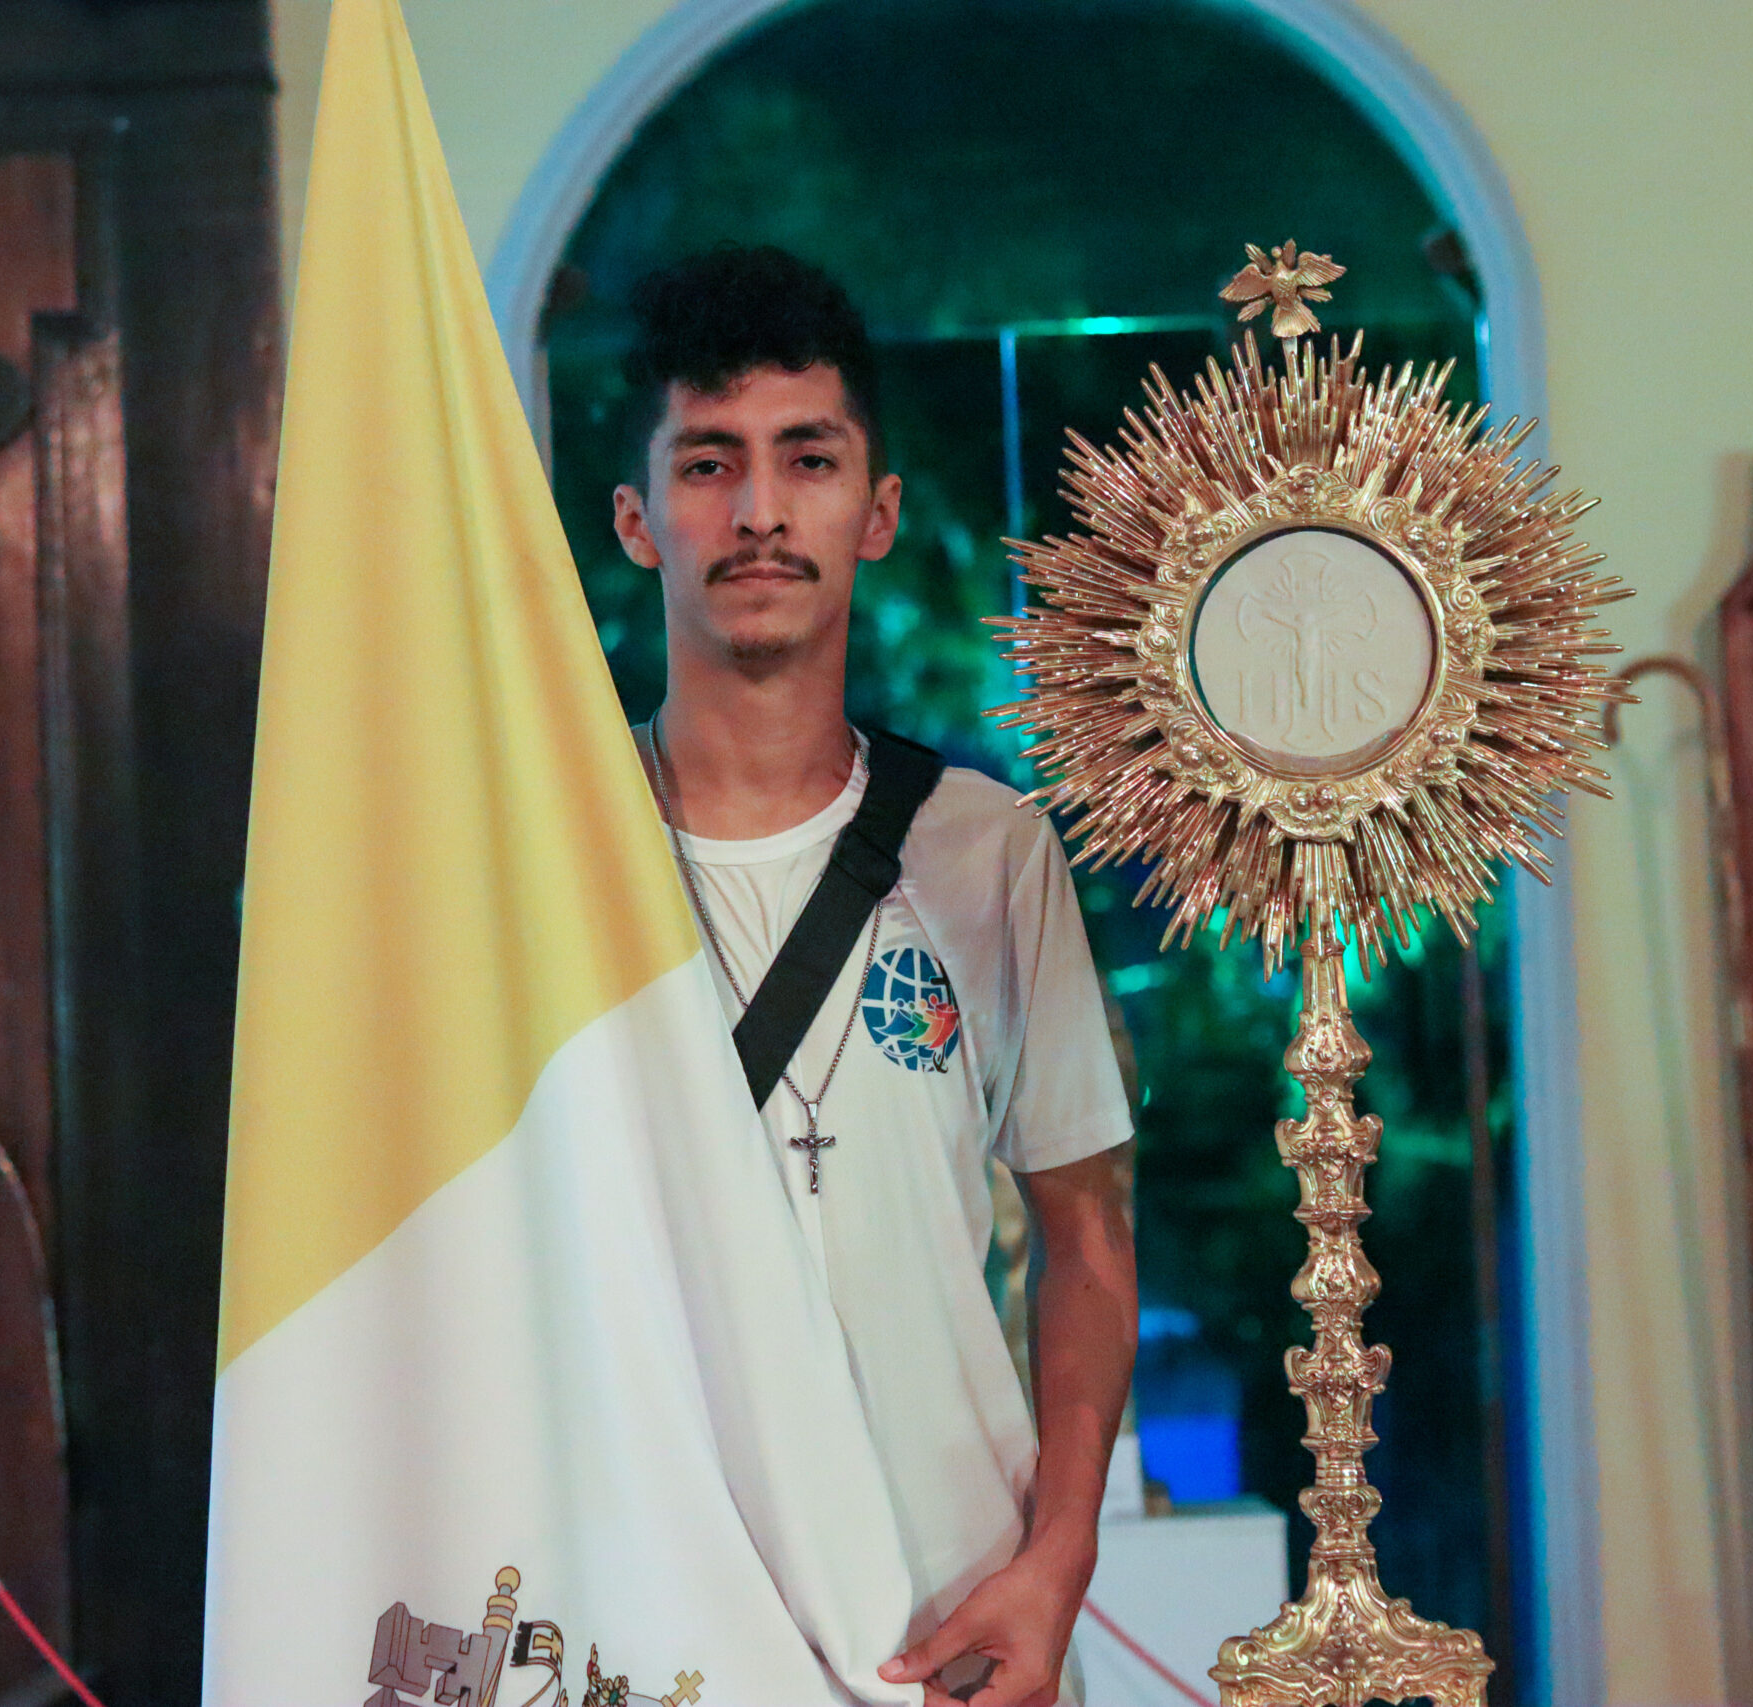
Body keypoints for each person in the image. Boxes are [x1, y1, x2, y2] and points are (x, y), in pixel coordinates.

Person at [611, 243, 1138, 1707]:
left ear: (878, 509)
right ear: (638, 520)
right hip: (661, 1625)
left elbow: (1088, 1237)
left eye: (808, 458)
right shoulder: (551, 863)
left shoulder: (988, 850)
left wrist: (1058, 1560)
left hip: (960, 1622)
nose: (760, 511)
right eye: (707, 463)